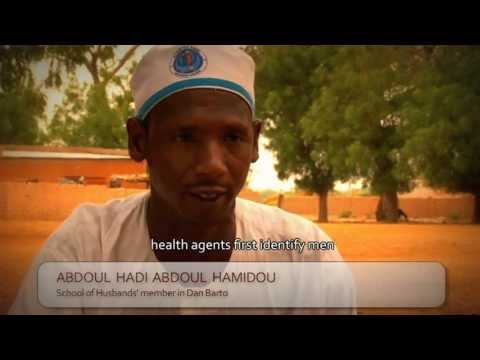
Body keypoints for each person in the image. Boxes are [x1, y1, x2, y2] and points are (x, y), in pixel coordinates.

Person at [9, 45, 356, 315]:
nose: (212, 165)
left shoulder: (306, 258)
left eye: (233, 137)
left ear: (255, 141)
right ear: (139, 141)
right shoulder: (86, 250)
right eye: (185, 137)